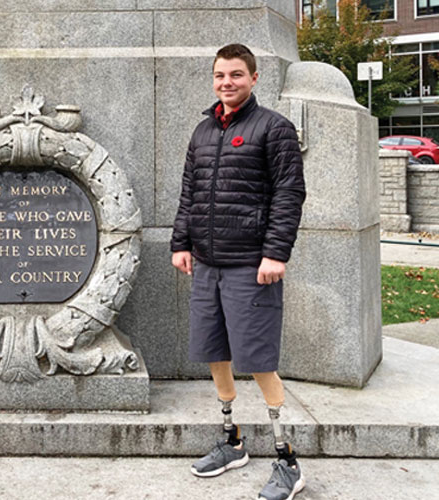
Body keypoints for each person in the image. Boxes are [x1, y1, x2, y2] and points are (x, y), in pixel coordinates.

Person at [170, 43, 307, 500]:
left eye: (235, 75)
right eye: (219, 76)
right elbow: (189, 192)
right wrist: (181, 242)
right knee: (215, 352)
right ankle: (233, 442)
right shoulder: (202, 131)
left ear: (253, 77)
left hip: (252, 265)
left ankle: (288, 460)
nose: (226, 82)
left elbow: (289, 195)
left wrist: (276, 253)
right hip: (207, 263)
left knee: (259, 360)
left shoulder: (274, 128)